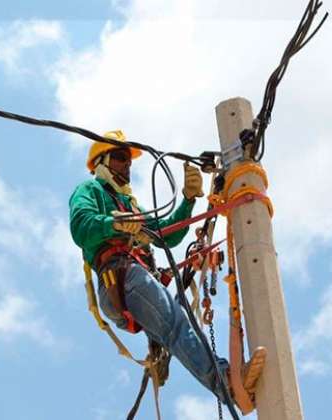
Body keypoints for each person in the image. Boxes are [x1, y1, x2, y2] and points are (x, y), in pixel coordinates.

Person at [69, 130, 265, 405]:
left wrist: (187, 199)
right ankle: (229, 386)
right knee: (176, 324)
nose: (128, 164)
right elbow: (80, 226)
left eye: (129, 160)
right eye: (121, 157)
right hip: (118, 277)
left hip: (134, 278)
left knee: (176, 319)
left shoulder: (129, 205)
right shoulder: (90, 191)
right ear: (101, 162)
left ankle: (225, 381)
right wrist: (112, 223)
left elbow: (167, 235)